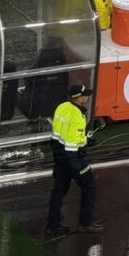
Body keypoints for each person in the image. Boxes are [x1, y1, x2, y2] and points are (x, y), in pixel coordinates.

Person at [45, 83, 103, 237]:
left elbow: (62, 133)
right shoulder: (78, 117)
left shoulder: (62, 107)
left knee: (59, 191)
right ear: (78, 98)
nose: (87, 97)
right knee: (89, 185)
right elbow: (71, 145)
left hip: (58, 155)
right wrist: (78, 169)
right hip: (72, 159)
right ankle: (85, 223)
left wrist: (85, 139)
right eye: (85, 95)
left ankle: (52, 225)